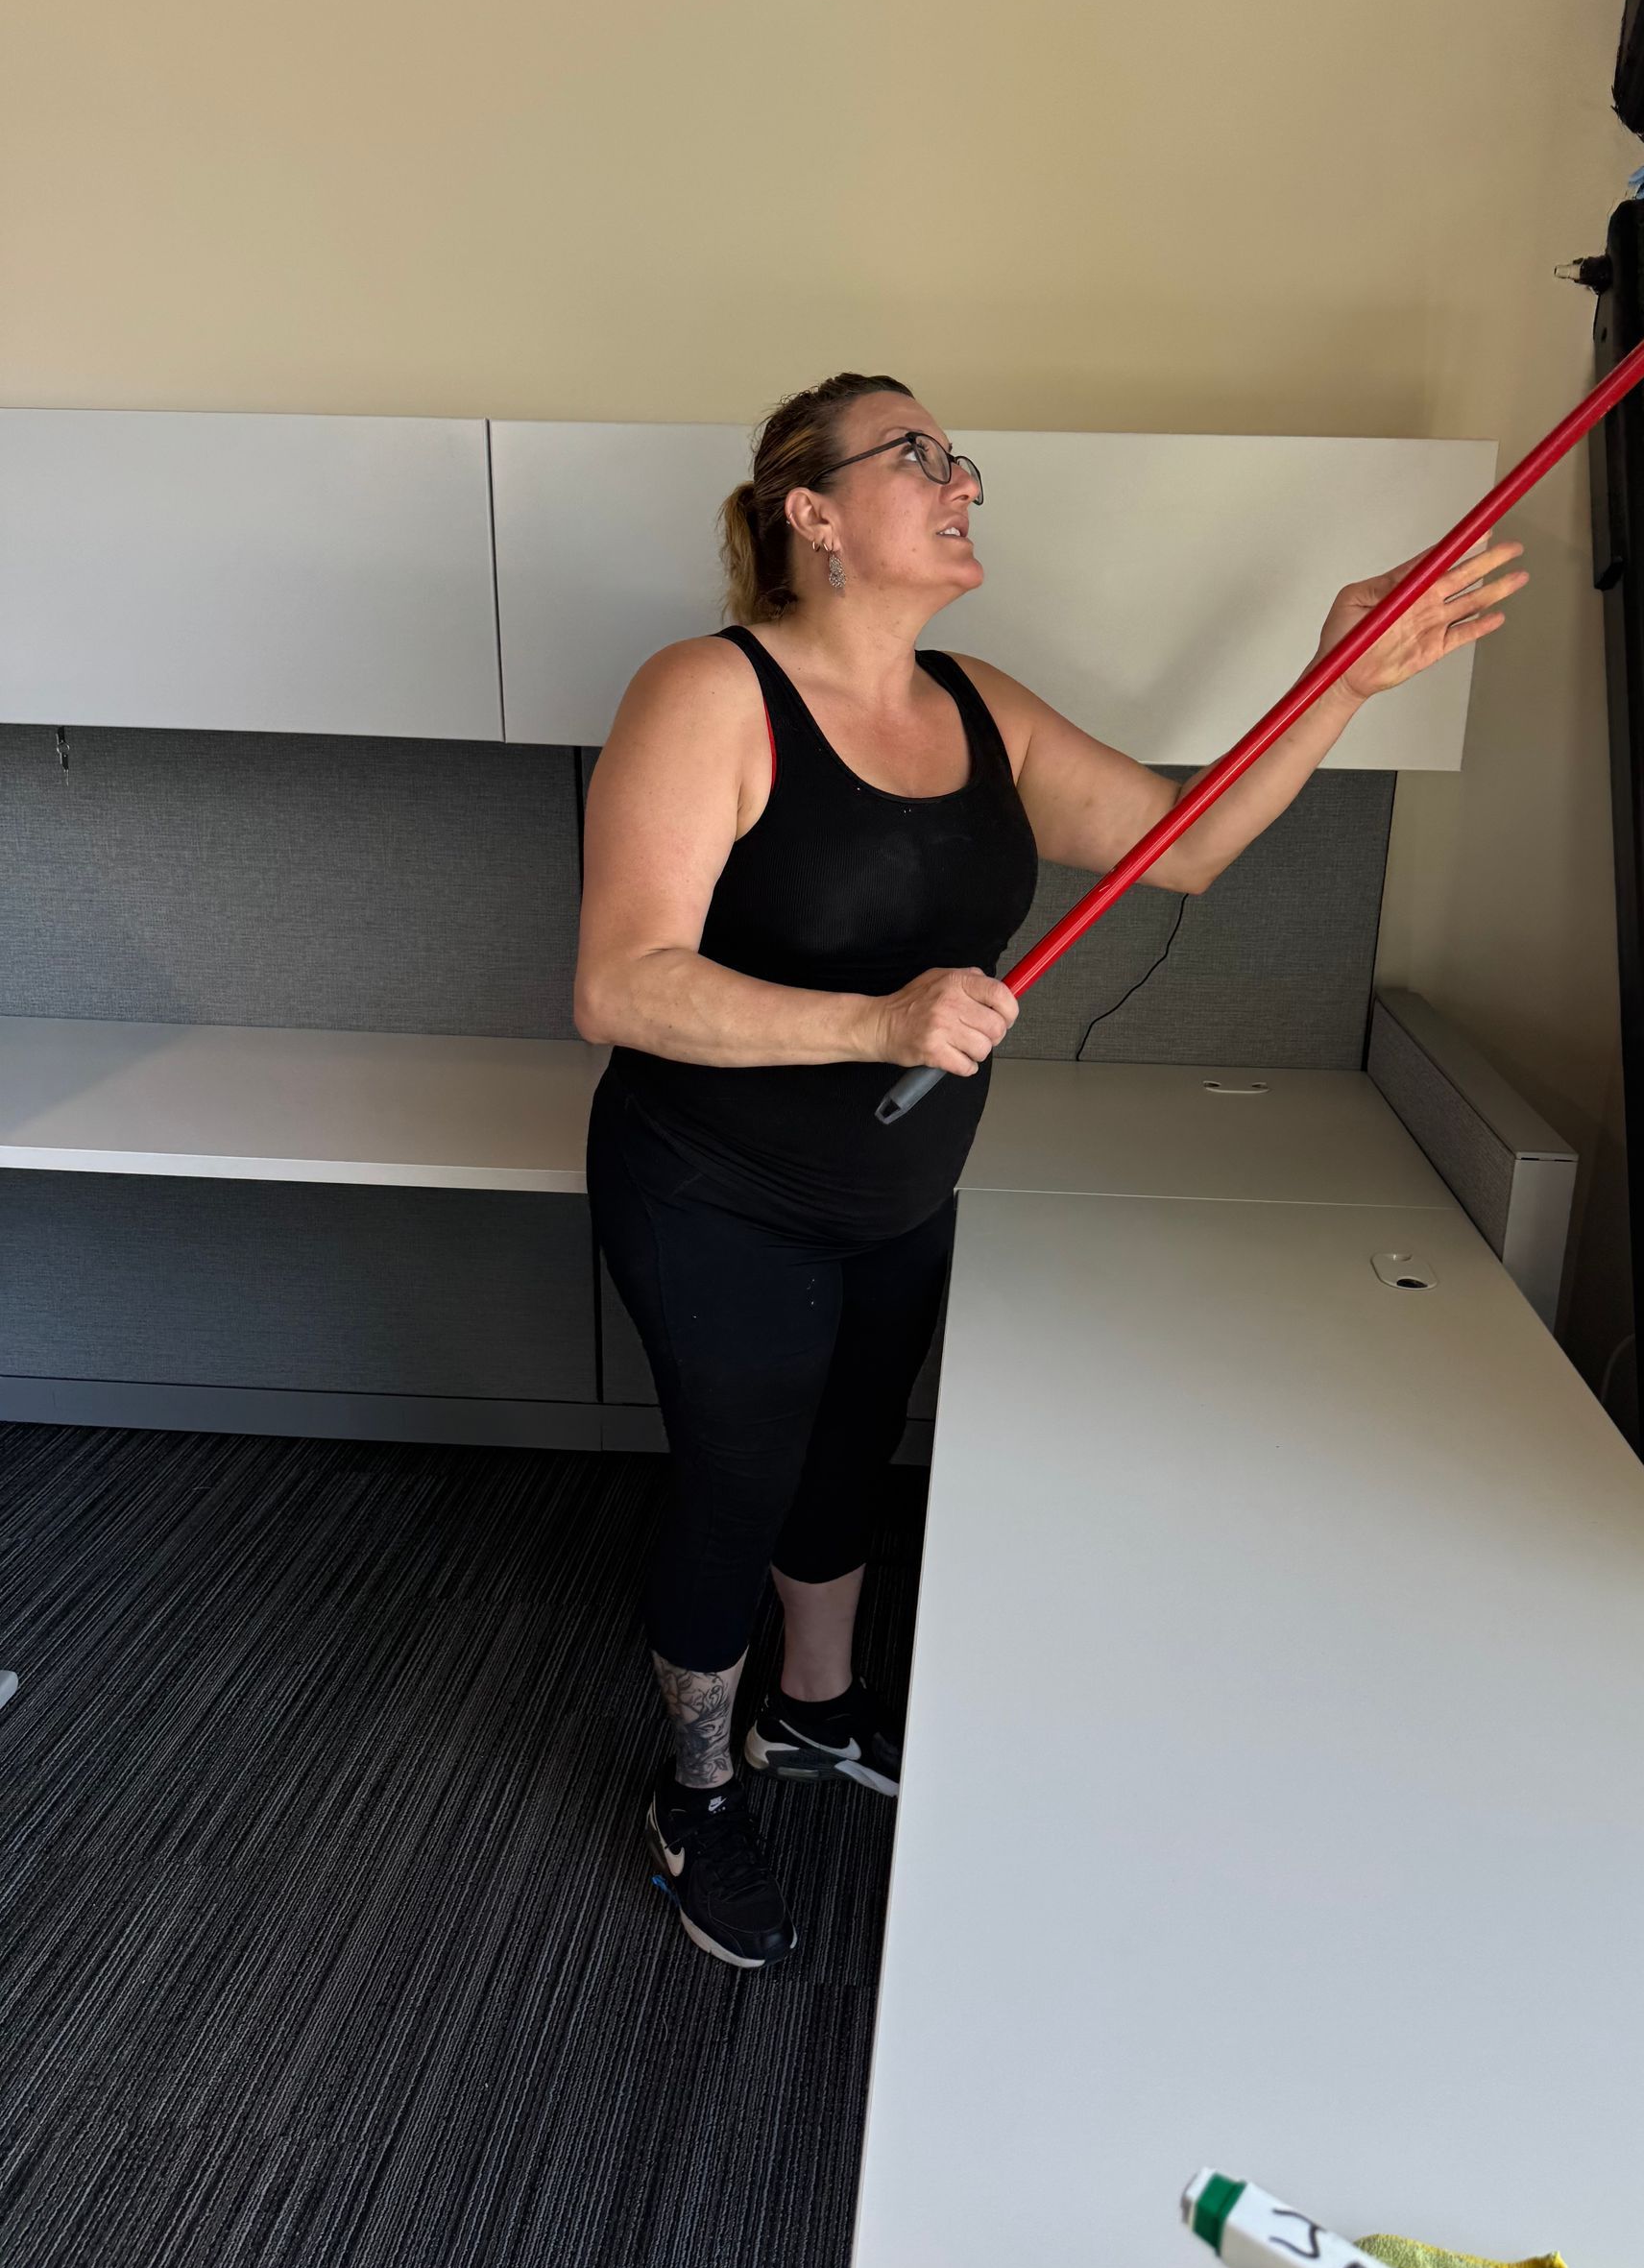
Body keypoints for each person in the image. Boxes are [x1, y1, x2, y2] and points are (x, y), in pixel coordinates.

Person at [574, 372, 1526, 1968]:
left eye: (959, 460)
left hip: (896, 1193)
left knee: (845, 1463)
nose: (962, 482)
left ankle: (813, 1716)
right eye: (919, 457)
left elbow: (1187, 841)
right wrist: (882, 1017)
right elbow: (621, 982)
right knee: (737, 1481)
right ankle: (694, 1794)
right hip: (710, 1191)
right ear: (812, 513)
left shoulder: (979, 702)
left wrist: (1340, 679)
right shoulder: (708, 693)